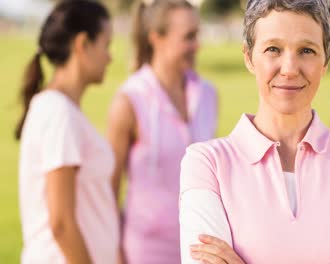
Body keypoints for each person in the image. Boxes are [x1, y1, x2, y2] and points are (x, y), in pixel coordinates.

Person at [179, 1, 330, 263]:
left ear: (325, 60)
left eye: (307, 51)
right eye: (273, 49)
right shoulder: (207, 164)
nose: (289, 69)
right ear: (248, 57)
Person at [107, 0, 218, 262]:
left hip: (197, 250)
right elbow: (109, 190)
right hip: (144, 251)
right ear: (157, 39)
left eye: (197, 35)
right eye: (189, 37)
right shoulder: (129, 101)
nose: (197, 45)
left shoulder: (208, 94)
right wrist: (116, 254)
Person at [16, 1, 117, 263]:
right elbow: (61, 223)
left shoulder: (62, 111)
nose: (110, 57)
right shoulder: (58, 113)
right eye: (106, 45)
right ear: (83, 44)